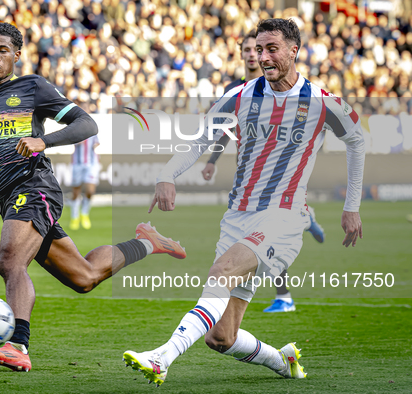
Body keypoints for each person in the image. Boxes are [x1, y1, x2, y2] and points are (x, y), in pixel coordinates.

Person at [123, 19, 365, 386]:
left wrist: (352, 205)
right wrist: (166, 175)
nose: (263, 56)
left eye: (272, 49)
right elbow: (199, 141)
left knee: (221, 271)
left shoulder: (321, 101)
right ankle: (283, 360)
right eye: (259, 49)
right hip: (237, 216)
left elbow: (357, 141)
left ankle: (162, 357)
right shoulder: (240, 96)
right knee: (221, 337)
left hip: (283, 217)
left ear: (293, 51)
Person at [0, 23, 187, 373]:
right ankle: (146, 243)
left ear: (16, 55)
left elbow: (87, 124)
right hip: (7, 198)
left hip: (34, 186)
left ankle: (17, 345)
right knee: (84, 277)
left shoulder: (32, 87)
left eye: (2, 50)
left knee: (10, 263)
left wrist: (46, 140)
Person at [200, 29, 326, 314]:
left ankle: (284, 294)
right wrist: (212, 161)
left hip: (280, 171)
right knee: (258, 234)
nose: (251, 54)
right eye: (246, 49)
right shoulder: (236, 90)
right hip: (247, 170)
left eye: (254, 49)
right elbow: (225, 128)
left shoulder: (283, 83)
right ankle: (307, 219)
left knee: (268, 233)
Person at [69, 134, 100, 230]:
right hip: (77, 164)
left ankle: (84, 213)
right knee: (76, 192)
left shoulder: (93, 131)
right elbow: (71, 141)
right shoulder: (76, 129)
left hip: (91, 164)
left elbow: (97, 143)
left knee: (90, 191)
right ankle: (74, 217)